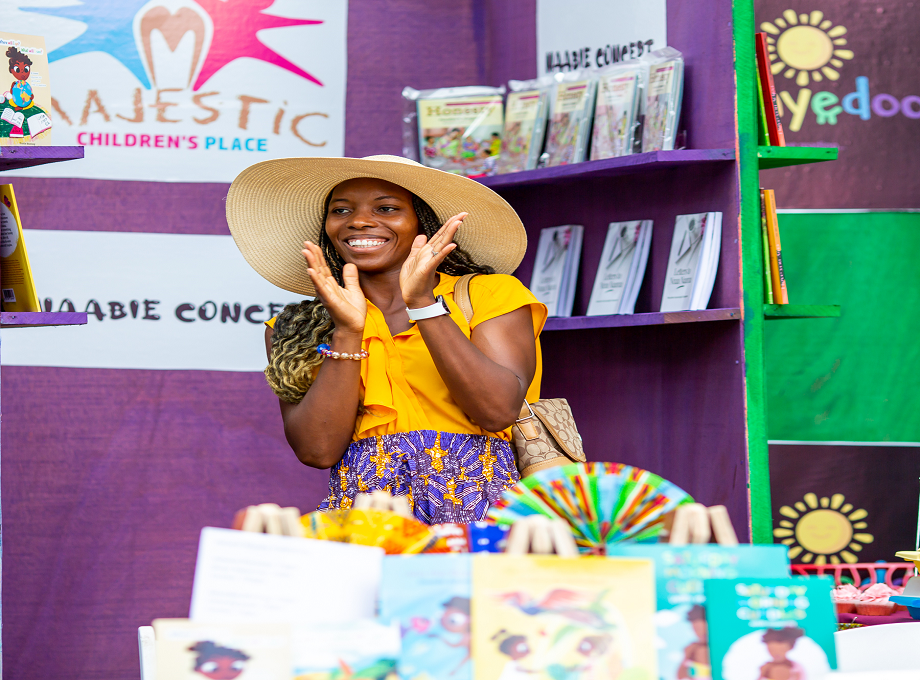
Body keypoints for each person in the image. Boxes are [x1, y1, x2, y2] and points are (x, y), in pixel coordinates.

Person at [226, 155, 545, 524]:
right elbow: (318, 451)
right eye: (341, 210)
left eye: (387, 208)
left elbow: (496, 412)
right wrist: (346, 332)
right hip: (365, 519)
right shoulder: (297, 326)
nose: (359, 221)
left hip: (484, 514)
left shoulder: (489, 295)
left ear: (422, 222)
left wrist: (422, 304)